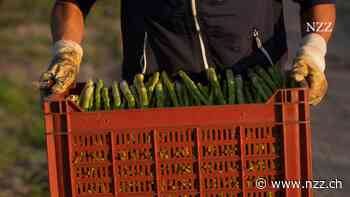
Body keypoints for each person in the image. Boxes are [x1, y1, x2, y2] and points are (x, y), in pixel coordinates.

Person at [40, 0, 336, 105]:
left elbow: (318, 3)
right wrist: (67, 50)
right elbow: (71, 3)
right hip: (157, 101)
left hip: (256, 97)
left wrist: (313, 51)